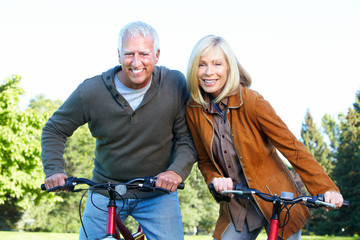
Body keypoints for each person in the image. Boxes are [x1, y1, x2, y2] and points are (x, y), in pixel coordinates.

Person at [41, 21, 197, 240]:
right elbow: (54, 129)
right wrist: (55, 170)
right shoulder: (92, 91)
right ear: (118, 55)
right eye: (129, 54)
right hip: (105, 191)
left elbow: (187, 140)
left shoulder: (174, 84)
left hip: (157, 194)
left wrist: (176, 172)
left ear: (157, 55)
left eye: (144, 53)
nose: (136, 62)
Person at [185, 35, 344, 240]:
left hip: (277, 199)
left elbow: (292, 147)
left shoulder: (251, 101)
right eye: (202, 64)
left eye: (217, 64)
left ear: (229, 68)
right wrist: (215, 178)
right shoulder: (194, 109)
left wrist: (326, 188)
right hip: (238, 205)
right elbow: (205, 160)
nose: (209, 72)